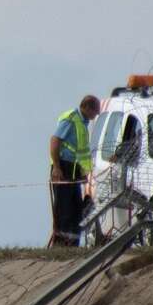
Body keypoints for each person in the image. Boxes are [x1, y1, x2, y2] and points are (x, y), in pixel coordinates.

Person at [48, 96, 99, 246]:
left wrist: (82, 173)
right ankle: (61, 244)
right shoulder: (71, 119)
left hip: (74, 170)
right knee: (64, 210)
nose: (94, 116)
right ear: (87, 107)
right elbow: (55, 140)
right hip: (63, 167)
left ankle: (72, 242)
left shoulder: (83, 123)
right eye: (94, 112)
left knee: (77, 209)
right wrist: (57, 168)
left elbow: (80, 152)